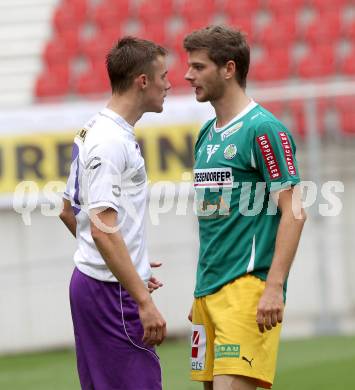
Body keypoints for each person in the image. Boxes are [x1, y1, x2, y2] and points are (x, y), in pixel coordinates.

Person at [183, 25, 306, 390]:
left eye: (199, 66)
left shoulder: (263, 129)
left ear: (229, 69)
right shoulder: (206, 134)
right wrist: (200, 290)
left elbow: (295, 211)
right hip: (209, 292)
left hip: (246, 291)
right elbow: (215, 219)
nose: (188, 75)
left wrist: (274, 286)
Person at [59, 36, 171, 390]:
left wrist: (130, 260)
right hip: (110, 295)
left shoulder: (96, 128)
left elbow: (67, 210)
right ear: (142, 81)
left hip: (99, 285)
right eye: (163, 76)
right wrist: (139, 294)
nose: (168, 84)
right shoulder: (110, 141)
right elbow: (102, 230)